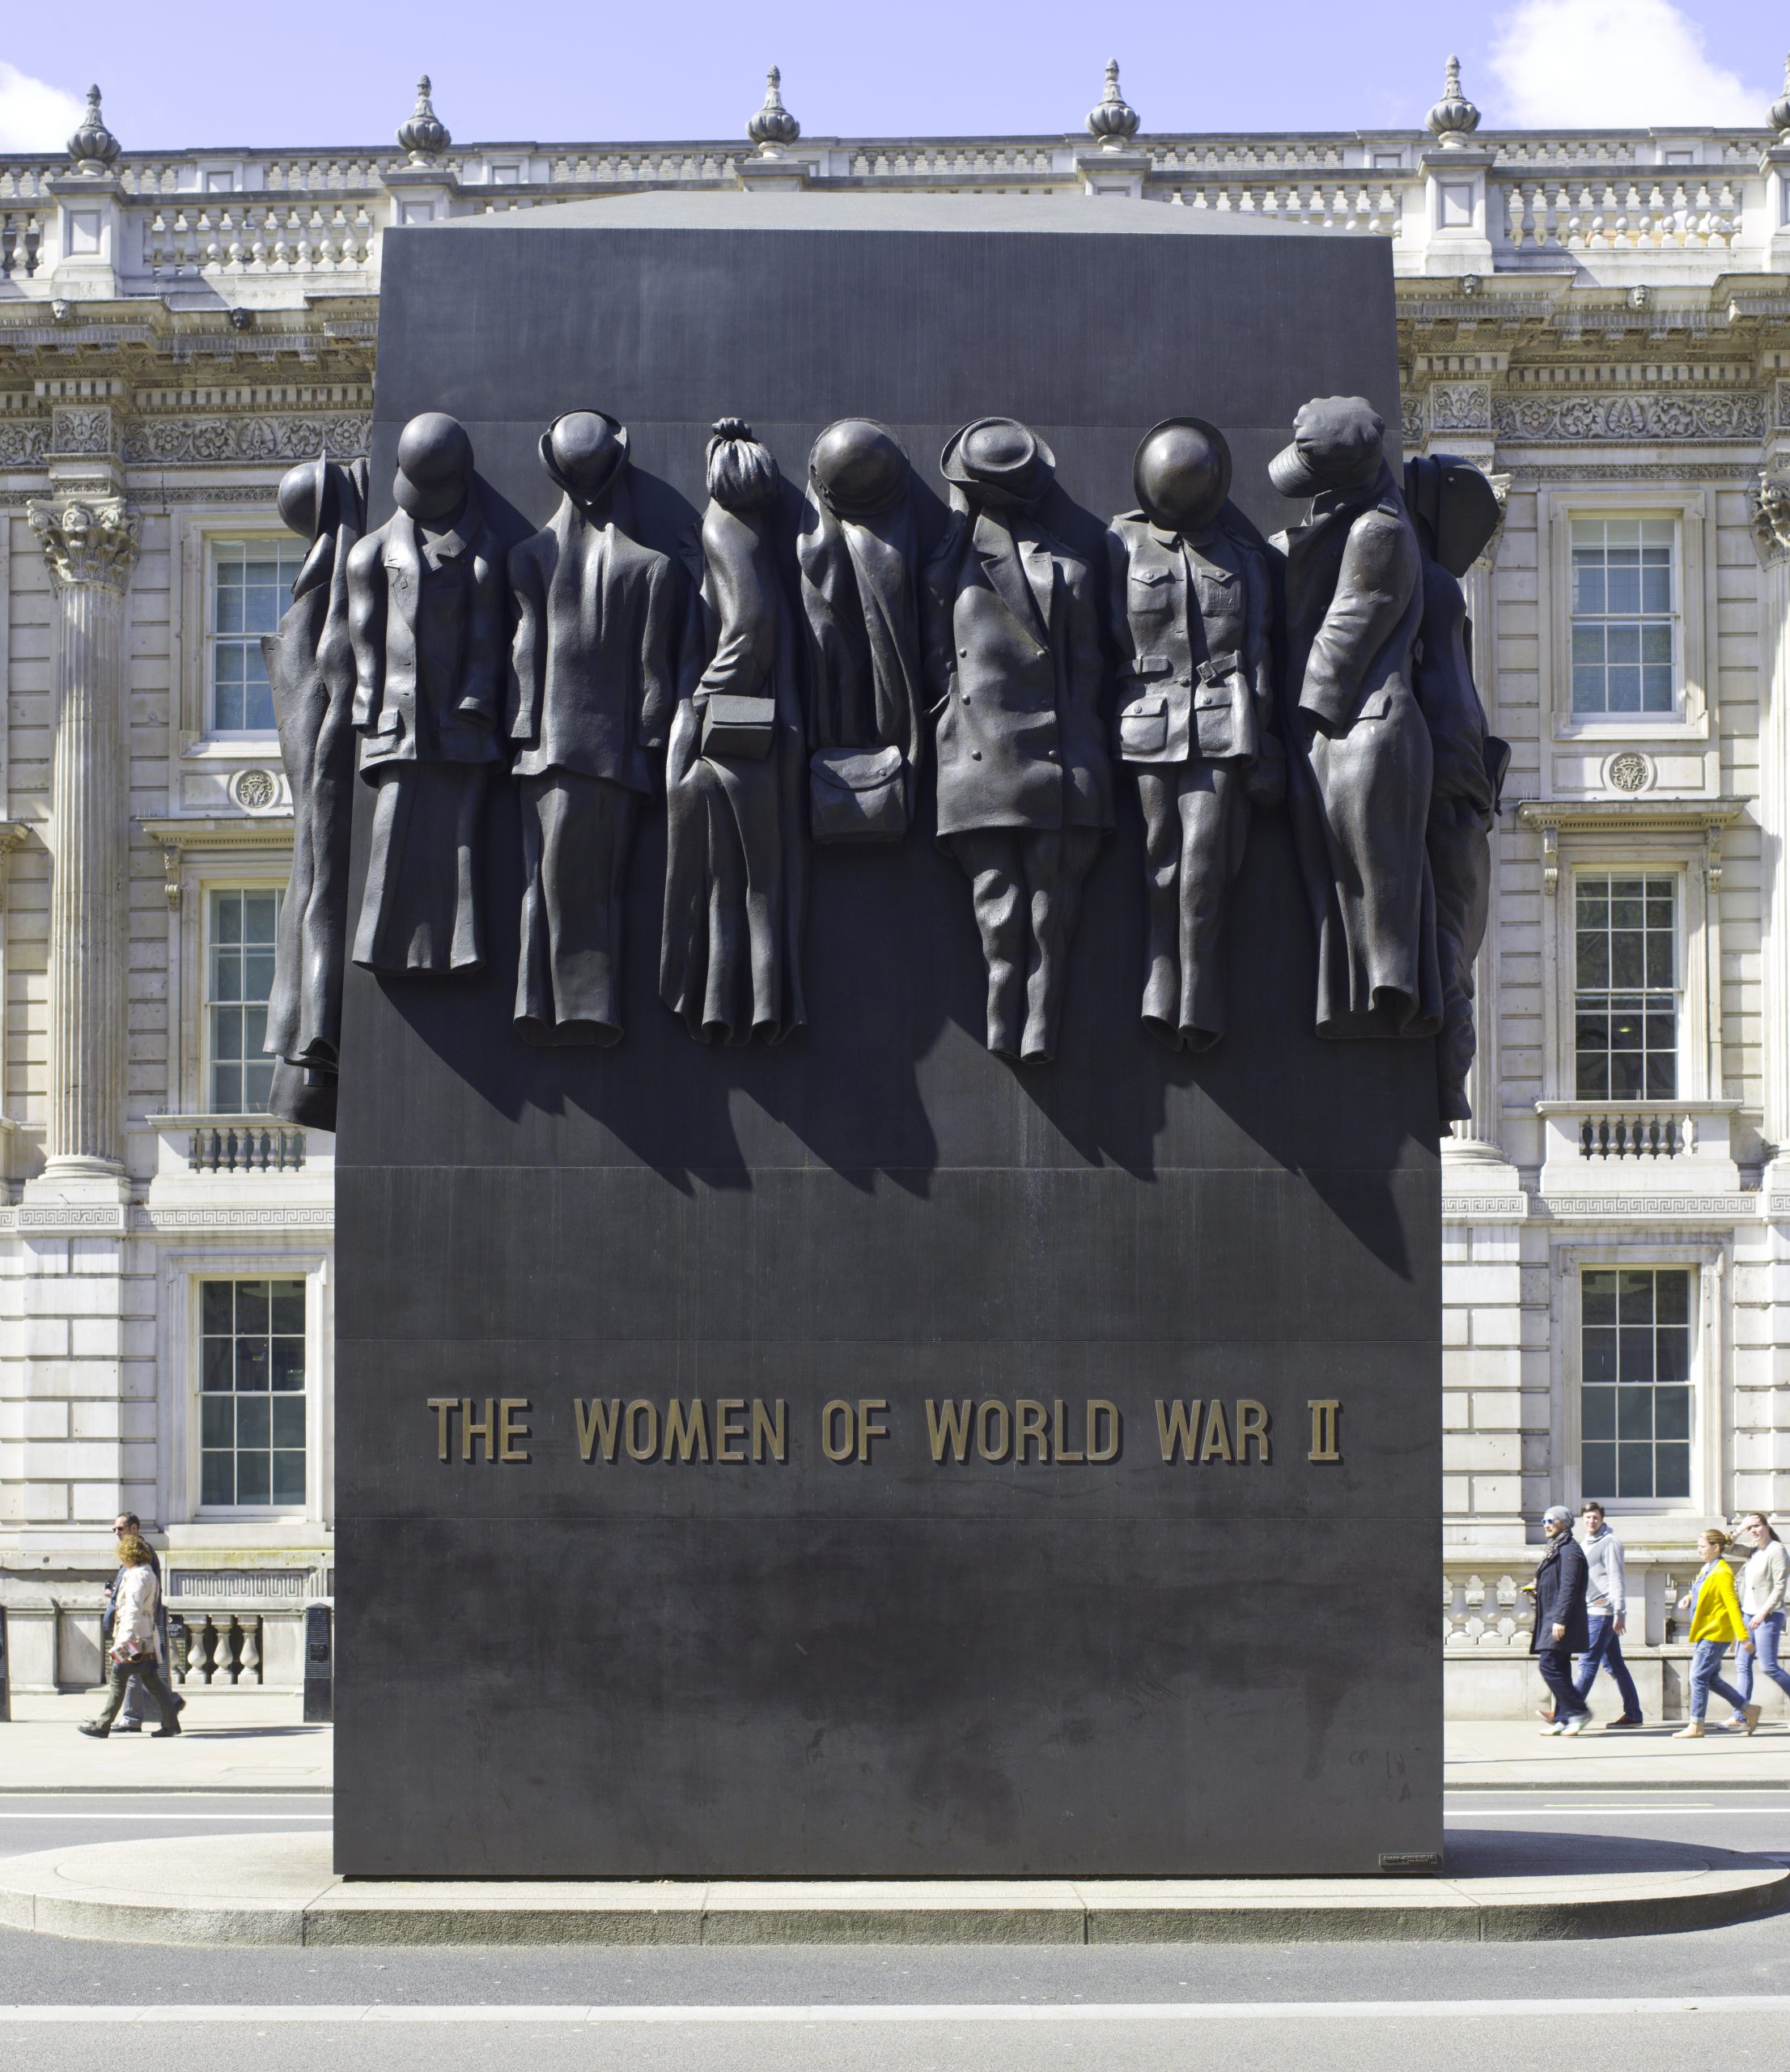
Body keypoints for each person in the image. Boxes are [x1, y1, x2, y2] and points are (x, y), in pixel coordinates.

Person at [80, 1533, 182, 1739]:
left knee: (118, 1679)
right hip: (144, 1639)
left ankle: (102, 1725)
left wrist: (122, 1642)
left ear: (129, 1555)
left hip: (133, 1641)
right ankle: (171, 1724)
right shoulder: (148, 1574)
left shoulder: (137, 1576)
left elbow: (133, 1610)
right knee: (153, 1683)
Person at [1673, 1527, 1760, 1739]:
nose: (1699, 1550)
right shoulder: (1708, 1568)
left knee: (1697, 1677)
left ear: (1716, 1547)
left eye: (1702, 1546)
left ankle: (1696, 1724)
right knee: (1711, 1679)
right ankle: (1748, 1710)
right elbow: (1703, 1592)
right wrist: (1689, 1598)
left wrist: (1743, 1637)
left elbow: (1732, 1605)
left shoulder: (1723, 1572)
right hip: (1706, 1631)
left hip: (1716, 1633)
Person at [1572, 1500, 1644, 1728]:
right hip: (1590, 1609)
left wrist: (1620, 1612)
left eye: (1595, 1517)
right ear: (1582, 1520)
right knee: (1615, 1665)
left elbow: (1616, 1577)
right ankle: (1633, 1714)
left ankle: (1568, 1711)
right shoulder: (1585, 1543)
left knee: (1587, 1662)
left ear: (1602, 1519)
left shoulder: (1610, 1542)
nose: (1591, 1521)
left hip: (1602, 1611)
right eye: (1588, 1518)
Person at [1531, 1503, 1592, 1735]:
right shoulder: (1556, 1548)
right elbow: (1556, 1583)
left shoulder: (1570, 1551)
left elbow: (1569, 1587)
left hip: (1559, 1619)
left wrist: (1560, 1620)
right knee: (1559, 1666)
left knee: (1548, 1664)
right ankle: (1564, 1717)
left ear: (1564, 1523)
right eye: (1544, 1521)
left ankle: (1578, 1710)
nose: (1546, 1525)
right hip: (1552, 1615)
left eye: (1551, 1520)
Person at [1733, 1512, 1790, 1727]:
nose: (1754, 1531)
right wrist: (1738, 1529)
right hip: (1748, 1614)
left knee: (1768, 1666)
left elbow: (1779, 1587)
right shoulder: (1752, 1550)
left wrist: (1762, 1613)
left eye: (1756, 1526)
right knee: (1742, 1664)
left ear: (1767, 1526)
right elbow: (1724, 1547)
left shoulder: (1777, 1550)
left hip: (1767, 1617)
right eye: (1750, 1528)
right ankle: (1740, 1715)